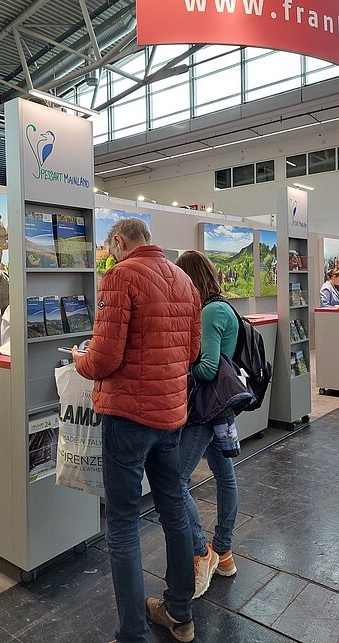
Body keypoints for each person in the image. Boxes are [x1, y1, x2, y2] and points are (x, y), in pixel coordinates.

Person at [73, 218, 201, 643]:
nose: (110, 254)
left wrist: (80, 360)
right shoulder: (185, 281)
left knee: (124, 524)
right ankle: (180, 613)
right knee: (173, 510)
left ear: (120, 242)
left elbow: (105, 358)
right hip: (171, 417)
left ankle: (132, 633)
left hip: (127, 417)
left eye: (111, 247)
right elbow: (192, 352)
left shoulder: (120, 275)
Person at [174, 250, 240, 599]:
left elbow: (208, 368)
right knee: (225, 475)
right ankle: (225, 553)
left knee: (176, 479)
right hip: (220, 409)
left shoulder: (212, 311)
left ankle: (204, 551)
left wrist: (178, 365)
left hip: (206, 409)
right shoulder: (221, 307)